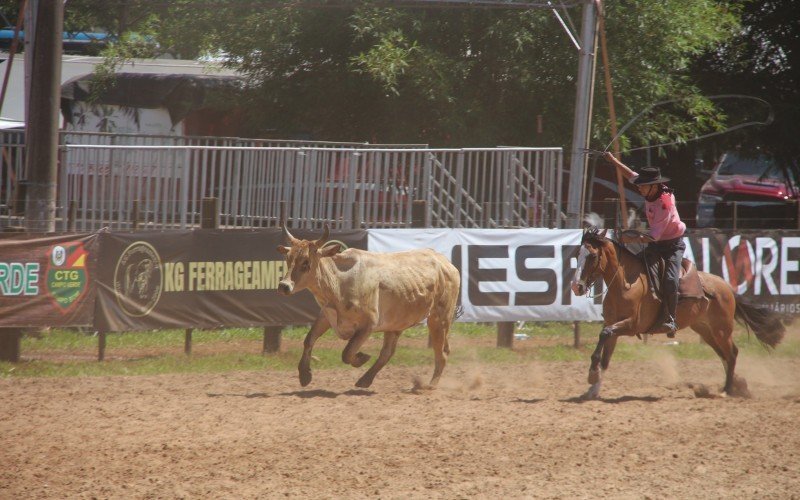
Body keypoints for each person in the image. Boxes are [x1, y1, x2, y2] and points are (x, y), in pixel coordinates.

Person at [603, 152, 686, 337]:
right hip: (657, 245)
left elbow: (655, 236)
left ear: (654, 186)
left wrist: (628, 237)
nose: (639, 189)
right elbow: (631, 175)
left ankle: (671, 319)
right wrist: (613, 160)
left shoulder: (665, 203)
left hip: (672, 247)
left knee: (671, 280)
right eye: (640, 185)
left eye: (643, 186)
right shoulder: (651, 188)